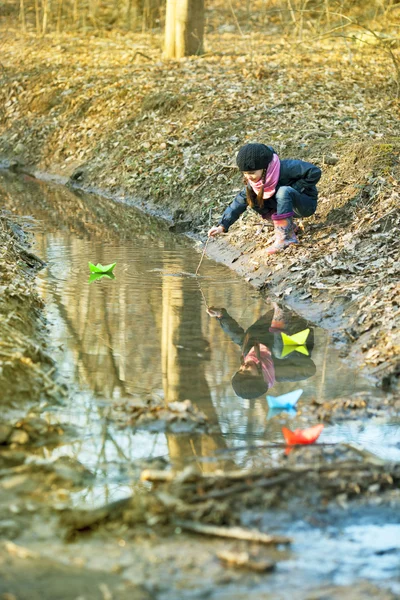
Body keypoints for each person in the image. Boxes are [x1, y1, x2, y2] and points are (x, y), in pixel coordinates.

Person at [208, 143, 322, 254]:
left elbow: (314, 171)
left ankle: (286, 237)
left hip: (304, 205)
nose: (248, 177)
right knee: (251, 198)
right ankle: (287, 227)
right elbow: (238, 203)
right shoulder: (254, 183)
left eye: (252, 173)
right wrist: (222, 226)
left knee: (283, 191)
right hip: (283, 207)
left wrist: (295, 188)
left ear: (265, 168)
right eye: (245, 173)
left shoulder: (286, 167)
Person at [207, 302, 316, 400]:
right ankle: (283, 313)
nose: (243, 367)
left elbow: (235, 334)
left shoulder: (249, 353)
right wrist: (292, 356)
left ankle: (281, 307)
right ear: (262, 377)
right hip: (299, 328)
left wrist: (220, 315)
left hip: (276, 315)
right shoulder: (281, 372)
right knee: (279, 353)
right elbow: (310, 370)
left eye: (240, 370)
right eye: (247, 372)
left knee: (246, 338)